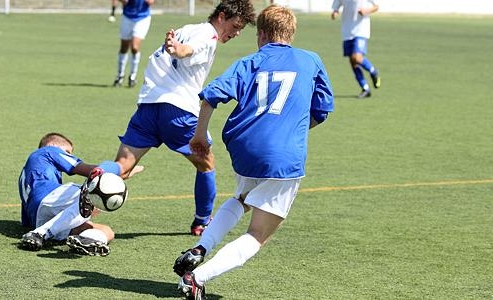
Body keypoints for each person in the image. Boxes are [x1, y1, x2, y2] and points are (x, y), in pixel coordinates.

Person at [171, 5, 334, 299]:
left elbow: (209, 97)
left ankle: (201, 247)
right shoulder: (311, 60)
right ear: (291, 34)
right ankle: (197, 277)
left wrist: (199, 136)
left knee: (241, 199)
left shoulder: (250, 62)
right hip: (283, 158)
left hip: (244, 147)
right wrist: (290, 130)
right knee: (258, 233)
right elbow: (322, 110)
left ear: (260, 35)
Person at [108, 0, 256, 236]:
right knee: (206, 163)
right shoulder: (208, 35)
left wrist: (176, 47)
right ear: (222, 16)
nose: (236, 33)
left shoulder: (185, 29)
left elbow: (179, 50)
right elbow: (189, 50)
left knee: (122, 168)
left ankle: (92, 181)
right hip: (177, 110)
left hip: (147, 106)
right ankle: (202, 221)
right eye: (235, 26)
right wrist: (179, 50)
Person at [18, 132, 143, 256]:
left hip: (40, 217)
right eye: (67, 152)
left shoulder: (29, 174)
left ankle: (84, 241)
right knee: (95, 193)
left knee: (107, 232)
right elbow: (90, 171)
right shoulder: (48, 151)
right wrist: (121, 170)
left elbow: (27, 221)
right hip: (48, 200)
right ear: (52, 144)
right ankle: (41, 233)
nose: (69, 156)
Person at [331, 0, 381, 98]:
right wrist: (335, 12)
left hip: (361, 30)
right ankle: (365, 88)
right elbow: (336, 7)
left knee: (357, 58)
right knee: (353, 63)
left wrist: (367, 10)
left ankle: (373, 71)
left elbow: (376, 6)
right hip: (347, 32)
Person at [112, 0, 155, 88]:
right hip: (127, 17)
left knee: (134, 47)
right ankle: (120, 75)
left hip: (142, 18)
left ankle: (132, 76)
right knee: (124, 48)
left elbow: (150, 2)